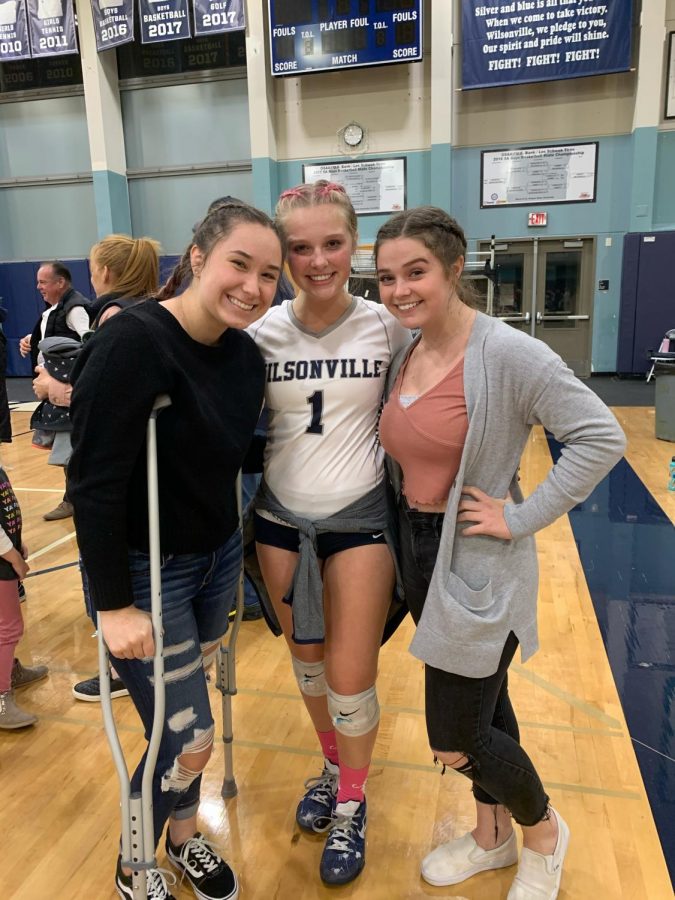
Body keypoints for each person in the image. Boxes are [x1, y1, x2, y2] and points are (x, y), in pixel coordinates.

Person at [374, 206, 626, 900]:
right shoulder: (406, 346)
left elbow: (601, 437)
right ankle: (491, 840)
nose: (398, 289)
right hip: (418, 553)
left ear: (455, 269)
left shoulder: (510, 354)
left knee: (455, 737)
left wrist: (521, 516)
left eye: (415, 272)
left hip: (479, 562)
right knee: (487, 708)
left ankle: (542, 834)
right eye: (386, 276)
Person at [68, 201, 284, 900]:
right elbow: (94, 484)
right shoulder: (135, 342)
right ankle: (135, 865)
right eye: (239, 265)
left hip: (214, 559)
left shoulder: (246, 356)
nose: (254, 287)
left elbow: (238, 457)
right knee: (185, 736)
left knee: (186, 724)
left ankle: (183, 839)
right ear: (198, 258)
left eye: (269, 275)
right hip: (143, 569)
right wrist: (113, 606)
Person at [247, 180, 410, 886]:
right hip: (279, 522)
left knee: (349, 675)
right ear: (282, 254)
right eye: (300, 247)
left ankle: (352, 798)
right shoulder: (259, 333)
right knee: (305, 661)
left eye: (333, 244)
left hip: (360, 522)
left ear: (356, 246)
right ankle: (330, 764)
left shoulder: (386, 327)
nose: (317, 260)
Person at [51, 234, 160, 703]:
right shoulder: (151, 313)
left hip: (120, 481)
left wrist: (58, 392)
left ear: (107, 273)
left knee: (105, 572)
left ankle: (119, 670)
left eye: (94, 267)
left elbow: (112, 404)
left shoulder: (115, 319)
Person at [19, 261, 90, 521]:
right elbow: (54, 335)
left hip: (69, 393)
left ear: (61, 283)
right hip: (56, 394)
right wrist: (31, 339)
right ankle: (74, 498)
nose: (38, 287)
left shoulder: (76, 309)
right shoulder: (54, 310)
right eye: (37, 282)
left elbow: (88, 342)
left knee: (72, 450)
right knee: (67, 450)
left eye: (44, 282)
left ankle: (74, 500)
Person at [0, 464, 49, 730]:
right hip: (1, 562)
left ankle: (8, 670)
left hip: (5, 554)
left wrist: (16, 541)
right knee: (8, 628)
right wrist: (12, 555)